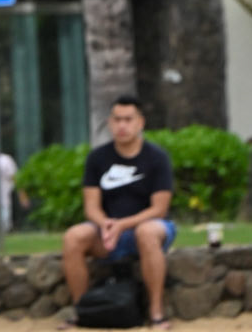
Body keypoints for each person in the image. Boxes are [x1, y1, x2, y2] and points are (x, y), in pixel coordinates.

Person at [61, 97, 174, 330]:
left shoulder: (157, 158)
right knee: (73, 237)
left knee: (147, 232)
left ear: (140, 122)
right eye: (117, 120)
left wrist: (123, 225)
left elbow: (159, 209)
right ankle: (82, 311)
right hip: (107, 229)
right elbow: (91, 206)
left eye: (128, 120)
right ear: (109, 123)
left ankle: (156, 313)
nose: (122, 125)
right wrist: (105, 224)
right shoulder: (97, 158)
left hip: (149, 226)